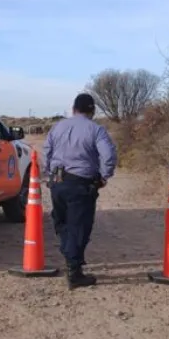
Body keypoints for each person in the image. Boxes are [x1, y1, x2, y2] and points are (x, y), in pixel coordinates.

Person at [43, 93, 118, 289]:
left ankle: (71, 258)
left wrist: (48, 174)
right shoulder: (96, 130)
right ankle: (74, 270)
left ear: (73, 108)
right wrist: (103, 177)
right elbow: (108, 156)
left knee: (62, 222)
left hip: (57, 183)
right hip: (81, 184)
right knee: (80, 226)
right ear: (92, 110)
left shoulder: (57, 126)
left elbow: (47, 151)